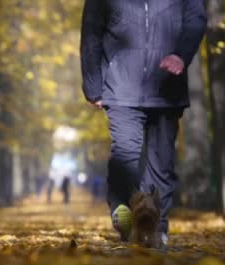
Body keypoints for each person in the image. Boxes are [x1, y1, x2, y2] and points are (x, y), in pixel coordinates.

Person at [80, 0, 206, 246]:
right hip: (121, 87)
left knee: (162, 164)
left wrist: (182, 55)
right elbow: (91, 31)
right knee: (125, 153)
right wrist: (93, 85)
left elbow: (196, 19)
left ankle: (157, 227)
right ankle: (124, 215)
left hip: (167, 87)